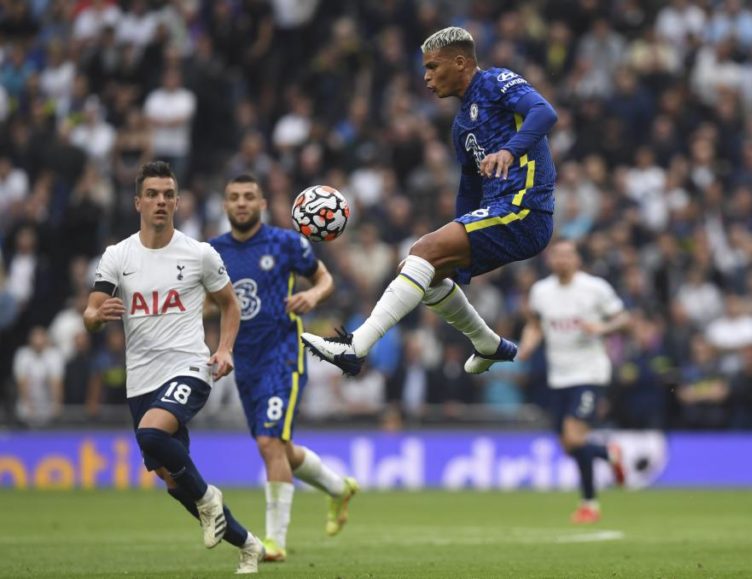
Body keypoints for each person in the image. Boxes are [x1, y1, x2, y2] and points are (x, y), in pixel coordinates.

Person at [301, 26, 557, 378]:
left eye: (433, 67)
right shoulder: (460, 128)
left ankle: (354, 347)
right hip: (500, 210)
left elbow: (544, 113)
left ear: (461, 62)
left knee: (422, 251)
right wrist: (458, 239)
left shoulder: (497, 81)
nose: (426, 77)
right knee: (424, 272)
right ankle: (488, 344)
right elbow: (469, 187)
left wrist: (509, 152)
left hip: (525, 208)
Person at [83, 161, 264, 574]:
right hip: (141, 379)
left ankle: (208, 499)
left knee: (152, 433)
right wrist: (95, 318)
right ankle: (247, 544)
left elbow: (229, 305)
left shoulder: (200, 253)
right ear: (137, 202)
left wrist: (225, 350)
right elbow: (90, 312)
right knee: (171, 479)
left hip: (188, 366)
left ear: (178, 202)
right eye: (152, 194)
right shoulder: (118, 256)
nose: (160, 201)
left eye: (168, 194)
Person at [210, 174, 358, 562]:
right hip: (243, 362)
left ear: (261, 204)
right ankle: (338, 488)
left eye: (249, 197)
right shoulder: (212, 252)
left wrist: (312, 294)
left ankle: (274, 542)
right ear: (225, 206)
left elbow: (325, 279)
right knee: (279, 447)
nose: (241, 203)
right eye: (234, 197)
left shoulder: (286, 242)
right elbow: (209, 302)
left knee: (268, 444)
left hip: (283, 354)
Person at [516, 239, 629, 524]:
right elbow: (535, 324)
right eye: (557, 255)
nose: (562, 260)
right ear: (550, 260)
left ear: (577, 259)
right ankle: (607, 455)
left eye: (568, 255)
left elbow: (624, 319)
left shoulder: (595, 288)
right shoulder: (541, 291)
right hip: (558, 376)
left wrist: (602, 327)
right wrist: (527, 345)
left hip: (589, 373)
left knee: (574, 436)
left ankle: (589, 504)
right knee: (569, 445)